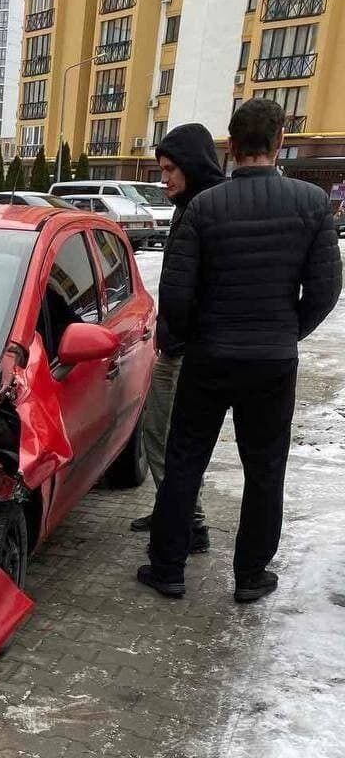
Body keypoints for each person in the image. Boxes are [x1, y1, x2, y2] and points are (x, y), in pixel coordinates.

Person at [138, 98, 342, 603]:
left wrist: (186, 339)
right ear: (279, 142)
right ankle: (250, 576)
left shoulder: (205, 207)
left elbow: (178, 294)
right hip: (271, 363)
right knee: (265, 469)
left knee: (185, 461)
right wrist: (286, 332)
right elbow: (325, 289)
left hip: (209, 356)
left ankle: (168, 568)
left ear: (232, 145)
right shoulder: (312, 204)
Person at [130, 123, 225, 553]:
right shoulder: (192, 205)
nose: (163, 178)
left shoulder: (208, 209)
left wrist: (181, 336)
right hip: (181, 344)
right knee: (163, 433)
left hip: (191, 349)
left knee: (169, 436)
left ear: (192, 165)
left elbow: (201, 287)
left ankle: (189, 522)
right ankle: (173, 508)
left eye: (170, 169)